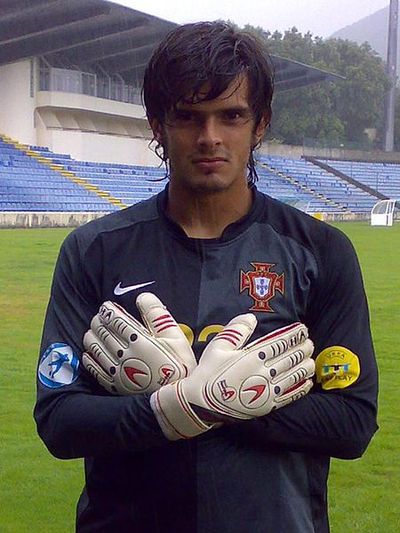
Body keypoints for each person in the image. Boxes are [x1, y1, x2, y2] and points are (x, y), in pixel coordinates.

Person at [34, 21, 378, 532]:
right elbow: (58, 421)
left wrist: (231, 402)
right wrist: (169, 408)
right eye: (188, 116)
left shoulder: (321, 252)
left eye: (231, 116)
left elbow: (352, 424)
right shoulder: (93, 251)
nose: (209, 137)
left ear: (260, 123)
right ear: (158, 125)